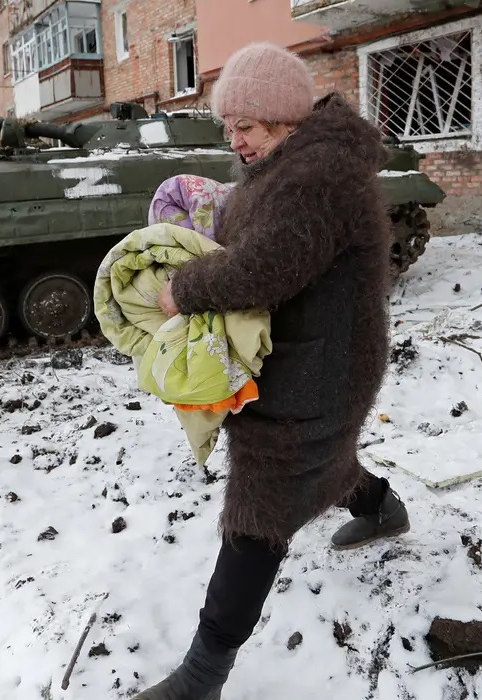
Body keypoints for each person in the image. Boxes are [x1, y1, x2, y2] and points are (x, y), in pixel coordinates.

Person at [135, 42, 410, 699]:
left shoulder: (319, 177)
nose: (235, 140)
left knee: (259, 506)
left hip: (323, 367)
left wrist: (184, 289)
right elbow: (260, 236)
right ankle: (381, 507)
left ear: (287, 120)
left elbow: (263, 268)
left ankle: (201, 676)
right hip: (306, 354)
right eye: (228, 127)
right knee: (320, 461)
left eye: (247, 127)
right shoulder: (289, 163)